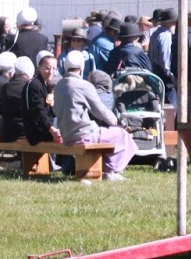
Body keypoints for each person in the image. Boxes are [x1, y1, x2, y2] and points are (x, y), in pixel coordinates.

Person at [54, 50, 135, 182]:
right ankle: (111, 171)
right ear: (81, 67)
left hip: (66, 134)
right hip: (84, 134)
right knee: (122, 135)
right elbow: (100, 111)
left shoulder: (58, 86)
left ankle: (104, 169)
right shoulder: (84, 85)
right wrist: (115, 121)